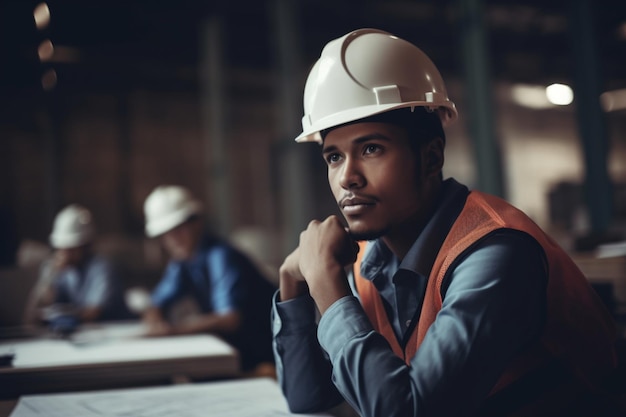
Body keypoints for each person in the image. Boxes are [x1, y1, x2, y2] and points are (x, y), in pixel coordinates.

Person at [272, 28, 620, 417]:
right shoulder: (366, 259)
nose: (347, 178)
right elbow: (307, 399)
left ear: (432, 157)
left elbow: (410, 410)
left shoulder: (498, 255)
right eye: (334, 157)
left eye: (371, 149)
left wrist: (328, 290)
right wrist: (294, 288)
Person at [142, 185, 276, 374]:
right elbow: (156, 302)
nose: (173, 240)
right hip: (237, 354)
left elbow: (230, 320)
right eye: (165, 234)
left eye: (178, 229)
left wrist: (173, 331)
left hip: (266, 357)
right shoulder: (182, 261)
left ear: (196, 222)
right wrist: (156, 318)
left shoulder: (221, 256)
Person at [24, 204, 129, 332]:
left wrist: (62, 317)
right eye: (62, 248)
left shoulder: (102, 268)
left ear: (85, 245)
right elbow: (35, 314)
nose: (65, 253)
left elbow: (93, 313)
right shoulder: (58, 269)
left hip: (110, 334)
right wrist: (49, 278)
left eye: (71, 248)